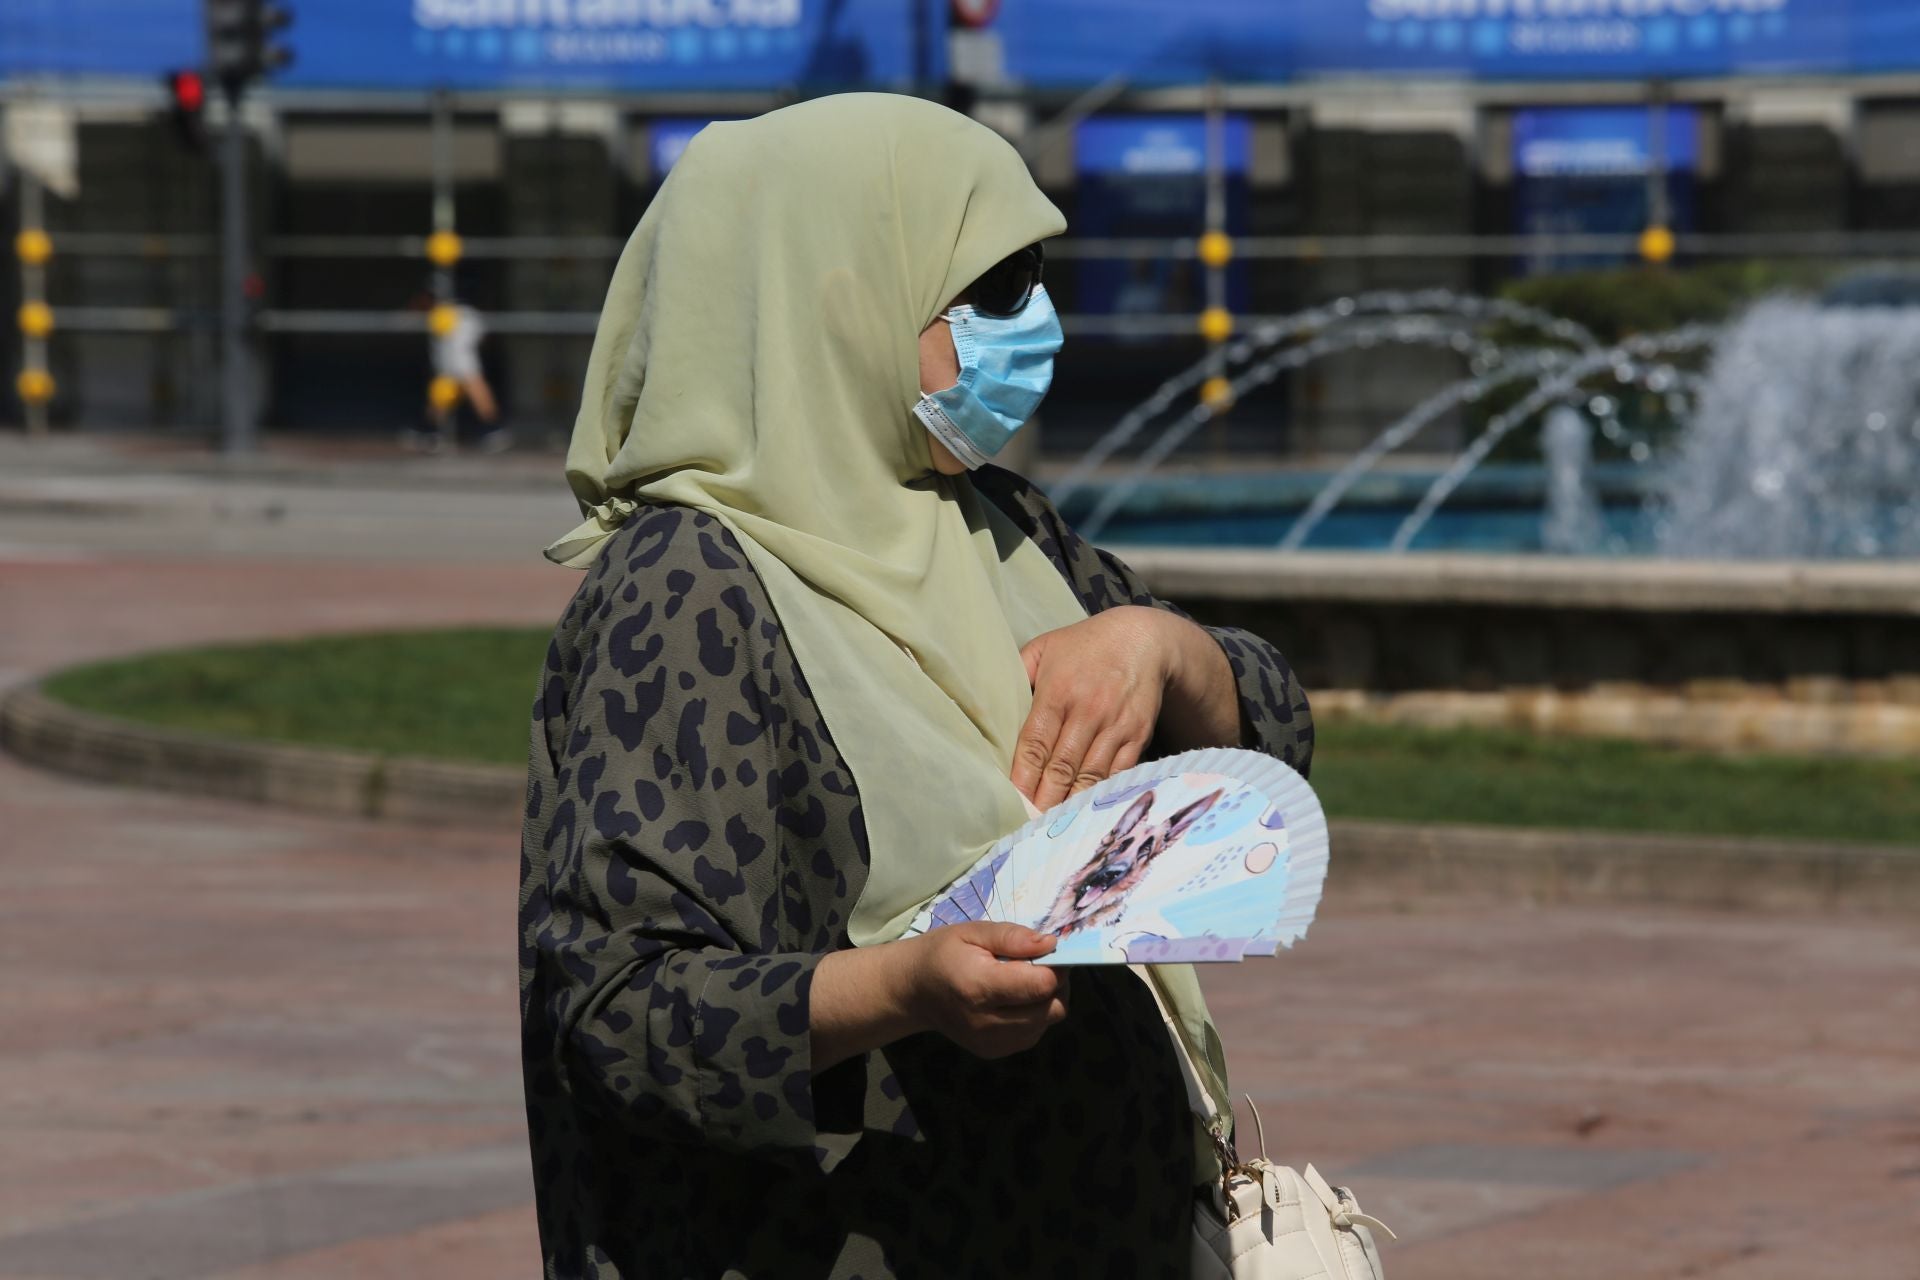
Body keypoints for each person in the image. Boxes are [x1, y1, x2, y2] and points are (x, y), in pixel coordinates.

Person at [519, 94, 1313, 1279]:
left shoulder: (997, 522)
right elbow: (615, 1008)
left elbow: (1270, 748)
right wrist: (901, 986)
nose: (1033, 324)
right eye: (992, 291)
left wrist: (1162, 647)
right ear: (840, 299)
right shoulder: (690, 588)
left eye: (1037, 280)